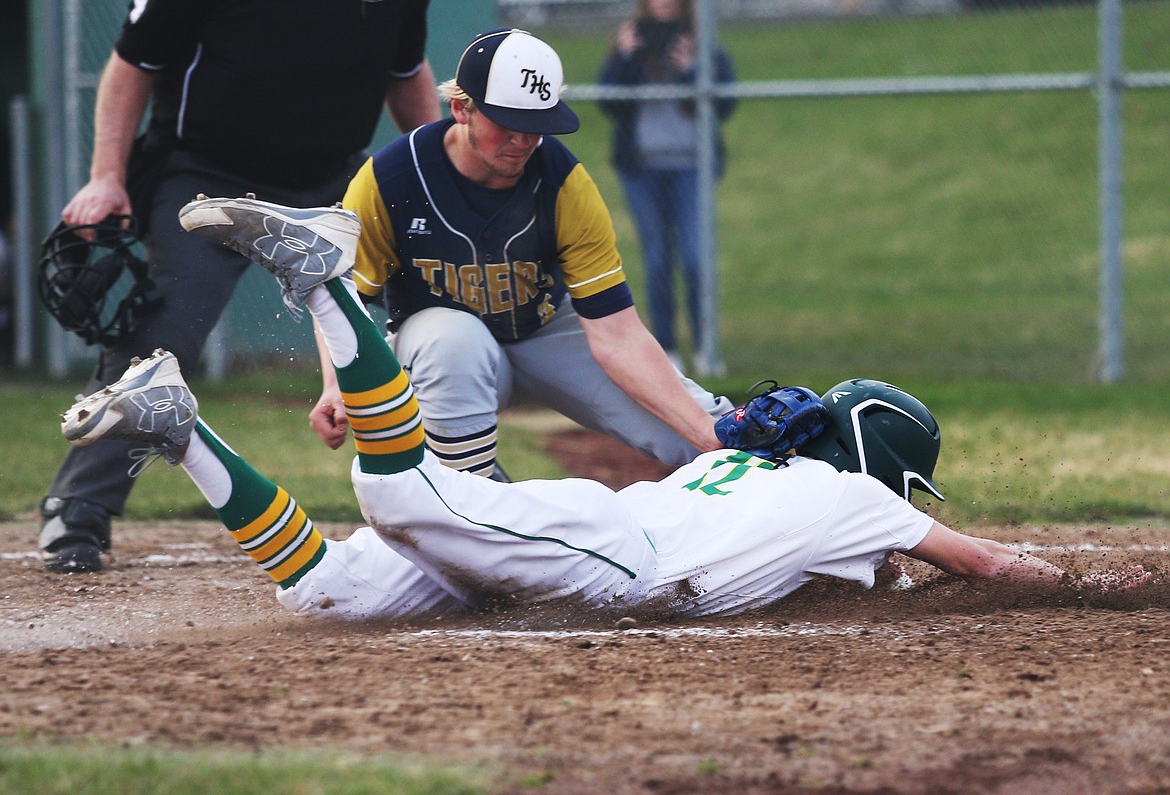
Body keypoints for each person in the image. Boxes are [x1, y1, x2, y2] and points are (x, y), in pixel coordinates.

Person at [56, 196, 1149, 622]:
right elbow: (992, 569)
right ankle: (322, 279)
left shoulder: (771, 471)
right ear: (880, 466)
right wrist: (1114, 591)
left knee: (334, 594)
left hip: (597, 529)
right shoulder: (847, 500)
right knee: (398, 488)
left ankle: (178, 423)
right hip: (602, 556)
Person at [38, 0, 442, 573]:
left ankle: (444, 501)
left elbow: (406, 72)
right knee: (167, 328)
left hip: (331, 175)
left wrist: (428, 173)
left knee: (401, 314)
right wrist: (107, 176)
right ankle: (78, 506)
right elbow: (132, 65)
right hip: (206, 172)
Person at [309, 27, 734, 483]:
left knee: (697, 424)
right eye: (507, 123)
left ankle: (776, 489)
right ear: (460, 109)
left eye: (536, 125)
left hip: (543, 327)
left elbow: (618, 335)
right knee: (451, 339)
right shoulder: (391, 178)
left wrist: (707, 434)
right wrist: (336, 385)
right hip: (441, 349)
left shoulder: (564, 181)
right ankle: (473, 501)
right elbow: (342, 297)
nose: (524, 140)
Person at [598, 0, 738, 374]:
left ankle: (707, 347)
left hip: (691, 167)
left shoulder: (701, 42)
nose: (664, 0)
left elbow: (724, 105)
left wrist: (692, 68)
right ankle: (668, 351)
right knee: (657, 260)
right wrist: (627, 58)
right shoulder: (629, 43)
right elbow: (608, 103)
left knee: (695, 259)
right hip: (643, 169)